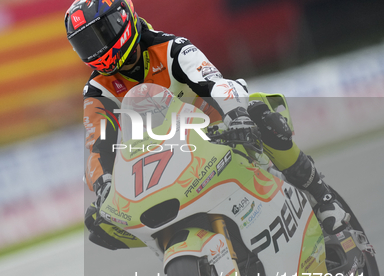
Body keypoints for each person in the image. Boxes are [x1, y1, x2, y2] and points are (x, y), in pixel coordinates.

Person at [64, 0, 349, 249]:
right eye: (85, 44)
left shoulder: (173, 48)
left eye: (98, 36)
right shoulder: (97, 89)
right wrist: (103, 185)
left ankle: (321, 196)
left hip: (218, 134)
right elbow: (97, 142)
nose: (96, 49)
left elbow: (216, 83)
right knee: (102, 220)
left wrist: (237, 116)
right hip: (162, 160)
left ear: (120, 21)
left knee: (262, 115)